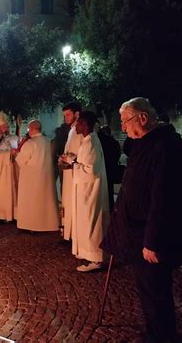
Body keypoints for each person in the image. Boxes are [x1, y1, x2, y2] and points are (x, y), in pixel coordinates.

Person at [101, 97, 182, 341]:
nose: (123, 127)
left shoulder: (166, 147)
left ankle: (162, 336)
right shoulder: (146, 143)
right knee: (148, 292)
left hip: (151, 238)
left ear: (143, 118)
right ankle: (156, 332)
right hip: (137, 234)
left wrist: (152, 241)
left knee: (156, 293)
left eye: (126, 121)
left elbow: (164, 199)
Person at [61, 111, 109, 272]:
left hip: (90, 192)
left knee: (91, 221)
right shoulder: (88, 141)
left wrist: (72, 162)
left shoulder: (91, 143)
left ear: (86, 124)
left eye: (79, 123)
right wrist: (73, 162)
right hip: (84, 190)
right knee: (85, 221)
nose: (76, 125)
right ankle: (87, 252)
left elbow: (90, 171)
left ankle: (96, 258)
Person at [14, 120, 59, 233]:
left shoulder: (30, 143)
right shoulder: (47, 142)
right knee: (44, 201)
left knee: (32, 201)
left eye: (29, 129)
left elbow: (21, 160)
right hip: (45, 177)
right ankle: (46, 224)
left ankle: (32, 226)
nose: (28, 131)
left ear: (33, 129)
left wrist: (15, 154)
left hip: (31, 178)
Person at [59, 101, 84, 241]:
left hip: (76, 173)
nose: (65, 118)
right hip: (69, 172)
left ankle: (74, 234)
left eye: (68, 115)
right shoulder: (71, 131)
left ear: (77, 114)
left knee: (73, 203)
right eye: (64, 115)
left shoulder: (80, 132)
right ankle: (68, 232)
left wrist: (69, 160)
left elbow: (81, 154)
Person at [0, 111, 18, 222]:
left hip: (13, 169)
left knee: (14, 190)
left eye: (7, 126)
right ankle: (1, 216)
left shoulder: (14, 137)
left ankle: (14, 214)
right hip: (1, 171)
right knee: (2, 192)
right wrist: (7, 154)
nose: (6, 129)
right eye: (3, 127)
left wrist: (15, 153)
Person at [98, 125, 122, 211]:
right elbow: (117, 154)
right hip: (111, 170)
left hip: (102, 170)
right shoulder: (113, 142)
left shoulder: (99, 142)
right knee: (109, 193)